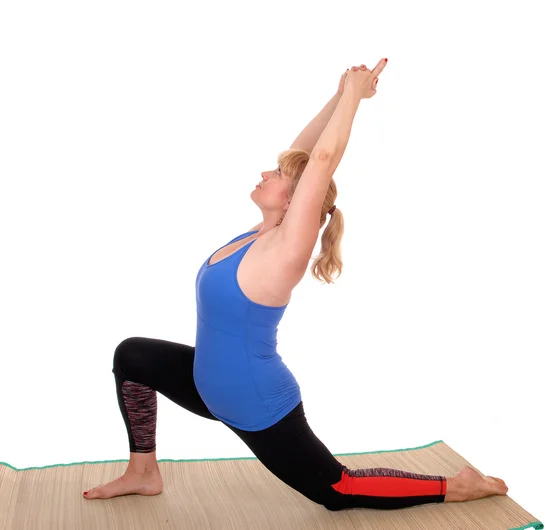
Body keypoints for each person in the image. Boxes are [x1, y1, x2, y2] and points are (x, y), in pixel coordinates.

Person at [83, 59, 508, 511]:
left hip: (255, 402)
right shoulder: (257, 234)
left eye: (279, 176)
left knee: (337, 489)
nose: (267, 173)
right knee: (132, 355)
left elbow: (321, 161)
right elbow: (305, 154)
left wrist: (354, 102)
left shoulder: (287, 248)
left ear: (296, 201)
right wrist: (342, 91)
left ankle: (457, 486)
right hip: (207, 384)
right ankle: (143, 472)